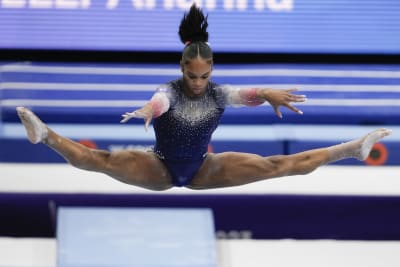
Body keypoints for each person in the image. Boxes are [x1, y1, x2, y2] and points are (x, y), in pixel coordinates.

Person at [17, 4, 391, 191]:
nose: (198, 82)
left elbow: (249, 93)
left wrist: (268, 93)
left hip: (204, 168)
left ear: (212, 70)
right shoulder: (169, 91)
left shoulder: (219, 93)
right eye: (192, 75)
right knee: (100, 159)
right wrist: (148, 109)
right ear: (182, 69)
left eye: (205, 75)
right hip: (160, 167)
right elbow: (159, 101)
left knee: (278, 165)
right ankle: (45, 135)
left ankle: (351, 149)